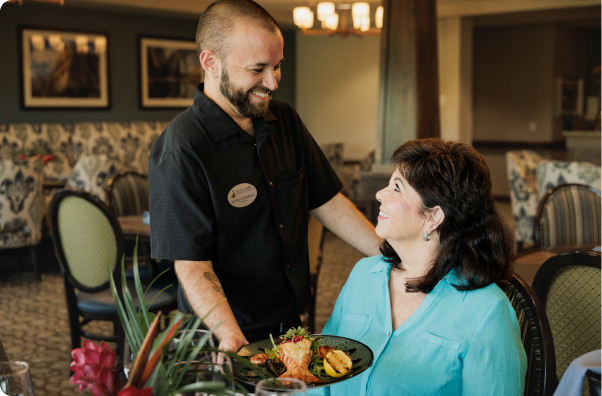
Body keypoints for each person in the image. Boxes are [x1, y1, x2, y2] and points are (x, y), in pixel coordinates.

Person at [148, 0, 382, 354]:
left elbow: (328, 202)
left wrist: (392, 254)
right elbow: (192, 265)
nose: (272, 82)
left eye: (278, 66)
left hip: (288, 321)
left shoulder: (284, 119)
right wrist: (230, 336)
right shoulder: (181, 149)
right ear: (211, 63)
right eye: (258, 69)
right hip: (224, 335)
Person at [311, 138, 527, 395]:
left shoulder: (487, 312)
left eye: (397, 188)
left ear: (433, 217)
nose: (381, 194)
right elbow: (319, 375)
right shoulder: (363, 275)